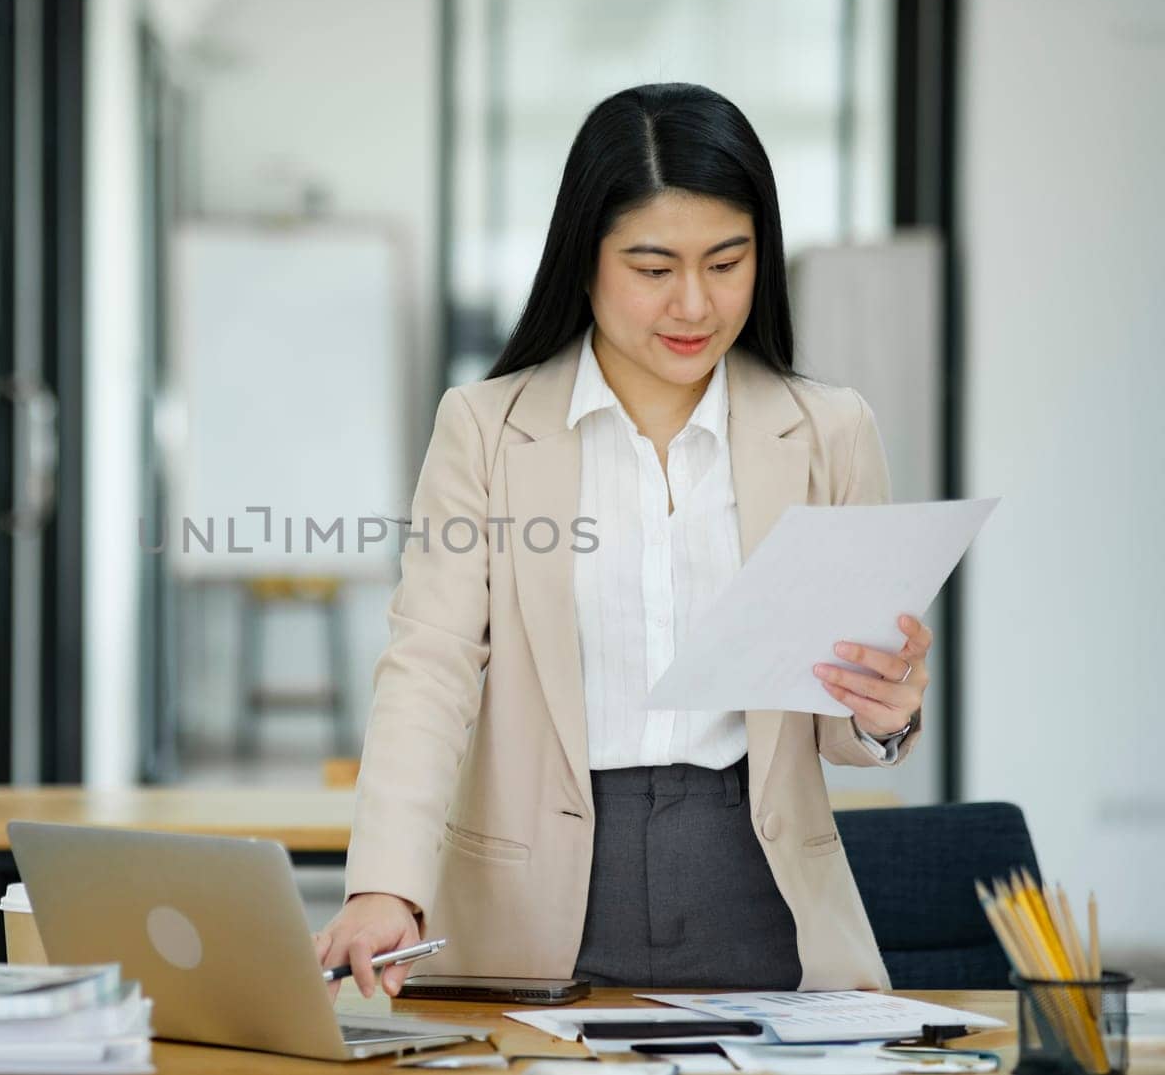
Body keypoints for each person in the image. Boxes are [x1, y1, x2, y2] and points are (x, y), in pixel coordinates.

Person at [313, 83, 930, 999]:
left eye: (728, 261)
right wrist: (384, 883)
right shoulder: (486, 427)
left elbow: (835, 728)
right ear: (584, 260)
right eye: (652, 267)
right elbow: (430, 663)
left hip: (759, 894)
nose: (694, 303)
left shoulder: (830, 432)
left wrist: (885, 713)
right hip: (533, 900)